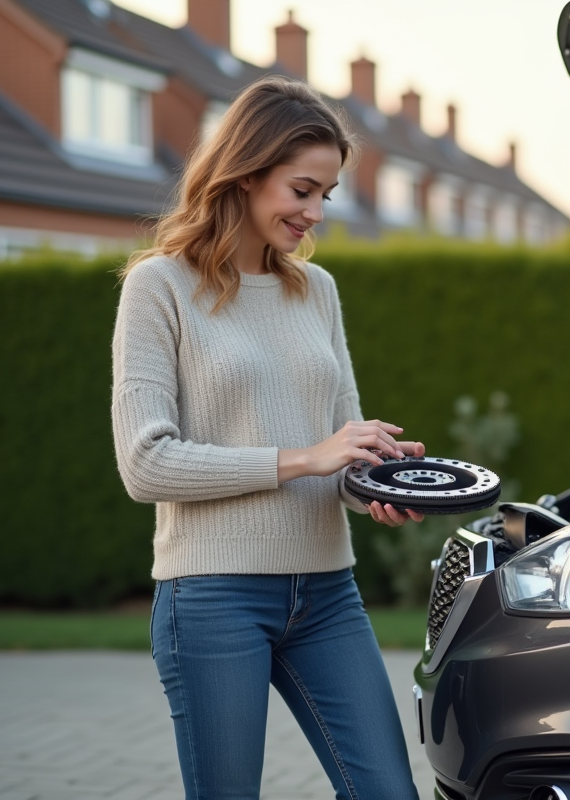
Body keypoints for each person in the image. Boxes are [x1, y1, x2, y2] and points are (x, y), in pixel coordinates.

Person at [111, 75, 423, 800]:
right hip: (213, 597)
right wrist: (305, 458)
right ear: (247, 174)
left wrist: (373, 481)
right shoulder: (158, 287)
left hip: (327, 593)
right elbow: (145, 464)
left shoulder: (318, 292)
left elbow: (335, 449)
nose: (315, 214)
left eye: (327, 196)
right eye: (302, 190)